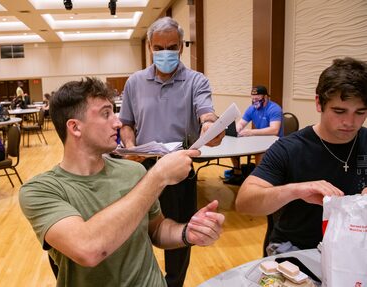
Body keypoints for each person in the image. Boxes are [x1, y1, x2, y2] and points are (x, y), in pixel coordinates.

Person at [18, 78, 225, 287]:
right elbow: (89, 249)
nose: (117, 123)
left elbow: (156, 229)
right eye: (106, 114)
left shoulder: (133, 171)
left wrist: (187, 232)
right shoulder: (41, 191)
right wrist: (158, 176)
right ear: (75, 127)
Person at [119, 16, 225, 287]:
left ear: (181, 47)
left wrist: (210, 126)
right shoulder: (135, 82)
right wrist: (130, 148)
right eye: (159, 47)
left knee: (179, 232)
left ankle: (174, 283)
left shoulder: (196, 81)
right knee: (136, 229)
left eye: (172, 47)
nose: (165, 53)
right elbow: (127, 124)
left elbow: (206, 112)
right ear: (149, 47)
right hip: (141, 168)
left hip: (179, 168)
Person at [235, 57, 367, 255]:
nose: (350, 122)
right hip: (296, 251)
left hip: (353, 248)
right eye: (339, 111)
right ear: (318, 103)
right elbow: (244, 202)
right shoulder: (290, 148)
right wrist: (296, 190)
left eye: (360, 112)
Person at [224, 85, 283, 185]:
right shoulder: (252, 109)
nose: (255, 101)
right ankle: (237, 173)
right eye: (253, 99)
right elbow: (242, 123)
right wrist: (237, 129)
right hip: (259, 138)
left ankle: (258, 179)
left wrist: (251, 132)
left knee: (259, 151)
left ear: (265, 97)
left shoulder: (274, 109)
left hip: (274, 141)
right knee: (233, 144)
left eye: (257, 99)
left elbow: (274, 130)